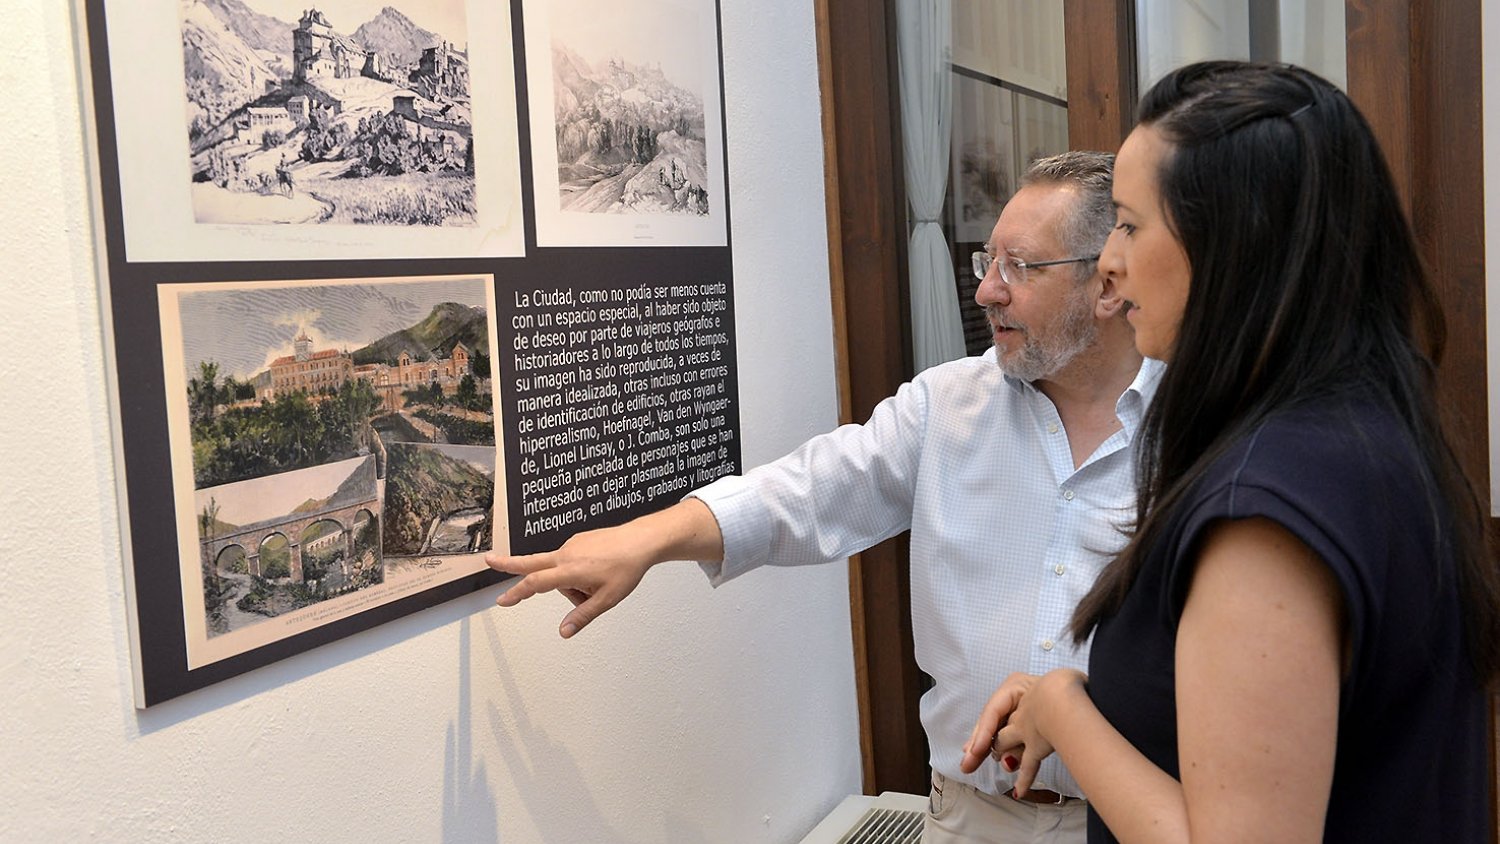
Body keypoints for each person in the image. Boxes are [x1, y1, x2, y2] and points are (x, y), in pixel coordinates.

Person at [489, 151, 1162, 842]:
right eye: (985, 262)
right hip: (973, 821)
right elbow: (808, 492)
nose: (987, 290)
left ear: (1107, 283)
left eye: (1019, 266)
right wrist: (648, 539)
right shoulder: (947, 406)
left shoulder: (1204, 432)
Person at [959, 61, 1500, 843]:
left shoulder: (1266, 510)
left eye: (1132, 225)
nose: (1110, 265)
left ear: (1233, 246)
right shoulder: (1363, 431)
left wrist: (1063, 709)